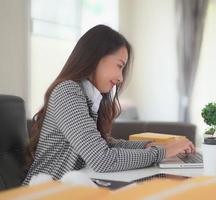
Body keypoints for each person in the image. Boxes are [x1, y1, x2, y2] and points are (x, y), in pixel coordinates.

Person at [23, 24, 195, 185]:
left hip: (67, 188)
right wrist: (163, 152)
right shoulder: (67, 92)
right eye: (119, 66)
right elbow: (102, 159)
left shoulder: (88, 96)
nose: (121, 78)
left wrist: (152, 146)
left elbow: (105, 144)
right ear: (96, 57)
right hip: (43, 192)